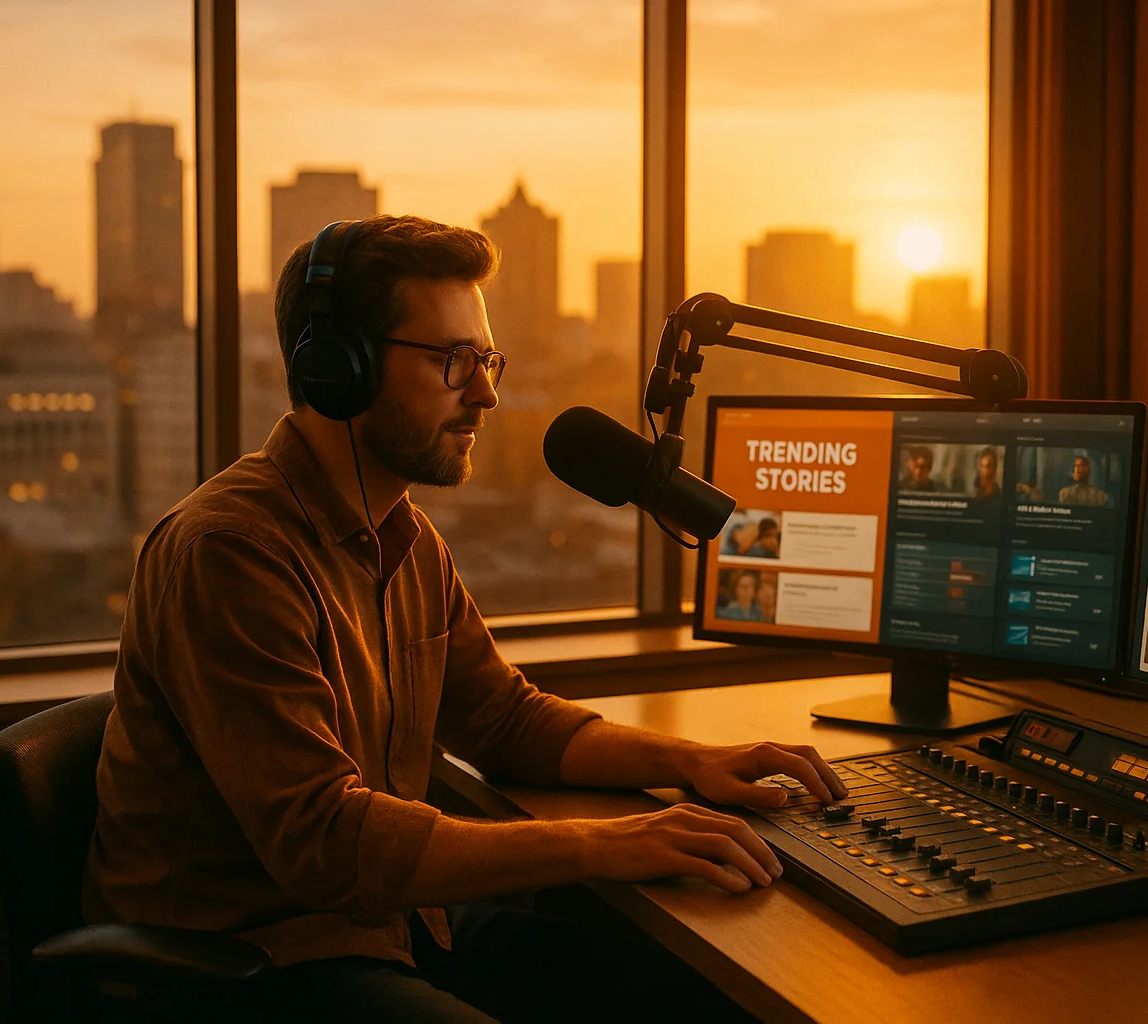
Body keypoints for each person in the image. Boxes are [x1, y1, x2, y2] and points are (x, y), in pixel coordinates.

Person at [84, 216, 846, 1023]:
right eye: (454, 361)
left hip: (388, 930)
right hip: (246, 971)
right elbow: (322, 842)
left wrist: (691, 761)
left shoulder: (404, 538)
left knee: (693, 997)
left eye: (487, 361)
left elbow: (503, 719)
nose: (486, 393)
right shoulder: (230, 553)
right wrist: (603, 842)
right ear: (337, 366)